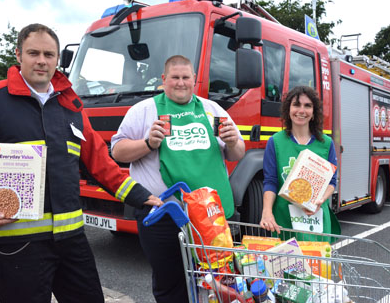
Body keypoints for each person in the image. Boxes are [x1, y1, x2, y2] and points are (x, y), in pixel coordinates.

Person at [0, 23, 162, 303]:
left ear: (58, 60)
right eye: (34, 53)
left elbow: (100, 164)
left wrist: (143, 196)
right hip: (17, 243)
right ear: (18, 55)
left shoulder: (72, 106)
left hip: (72, 242)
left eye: (49, 54)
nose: (42, 61)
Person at [111, 55, 245, 303]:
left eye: (186, 77)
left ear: (195, 79)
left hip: (211, 216)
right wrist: (148, 143)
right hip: (165, 214)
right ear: (164, 80)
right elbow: (117, 151)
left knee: (218, 281)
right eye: (175, 77)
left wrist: (233, 141)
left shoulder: (212, 109)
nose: (181, 83)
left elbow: (237, 152)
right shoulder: (143, 110)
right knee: (170, 283)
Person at [259, 85, 340, 239]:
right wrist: (267, 212)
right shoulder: (275, 142)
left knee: (317, 262)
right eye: (296, 105)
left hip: (315, 218)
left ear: (314, 112)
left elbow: (332, 181)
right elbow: (270, 181)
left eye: (307, 106)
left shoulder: (326, 143)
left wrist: (320, 201)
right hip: (284, 219)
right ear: (288, 110)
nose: (301, 111)